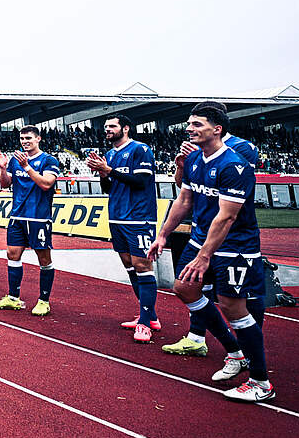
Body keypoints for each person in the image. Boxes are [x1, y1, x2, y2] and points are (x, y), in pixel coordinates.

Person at [149, 105, 273, 402]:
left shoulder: (234, 165)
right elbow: (184, 200)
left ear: (217, 129)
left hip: (234, 246)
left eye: (197, 124)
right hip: (200, 239)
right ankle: (235, 352)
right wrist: (163, 234)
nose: (189, 129)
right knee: (184, 288)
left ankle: (261, 382)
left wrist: (204, 256)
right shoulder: (193, 159)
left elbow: (227, 217)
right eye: (189, 124)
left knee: (233, 307)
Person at [86, 115, 161, 341]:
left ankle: (145, 324)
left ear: (125, 128)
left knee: (142, 265)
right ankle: (150, 316)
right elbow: (108, 188)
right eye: (106, 126)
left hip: (139, 216)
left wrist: (108, 170)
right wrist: (103, 173)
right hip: (117, 216)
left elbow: (141, 182)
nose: (107, 129)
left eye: (112, 126)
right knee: (129, 265)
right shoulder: (109, 154)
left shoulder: (140, 149)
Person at [0, 127, 61, 315]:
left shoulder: (48, 160)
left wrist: (27, 166)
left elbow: (46, 184)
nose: (24, 141)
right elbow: (5, 184)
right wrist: (3, 168)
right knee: (12, 254)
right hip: (17, 216)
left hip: (39, 217)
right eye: (22, 138)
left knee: (43, 258)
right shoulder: (15, 160)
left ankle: (44, 300)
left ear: (38, 139)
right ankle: (13, 298)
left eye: (28, 138)